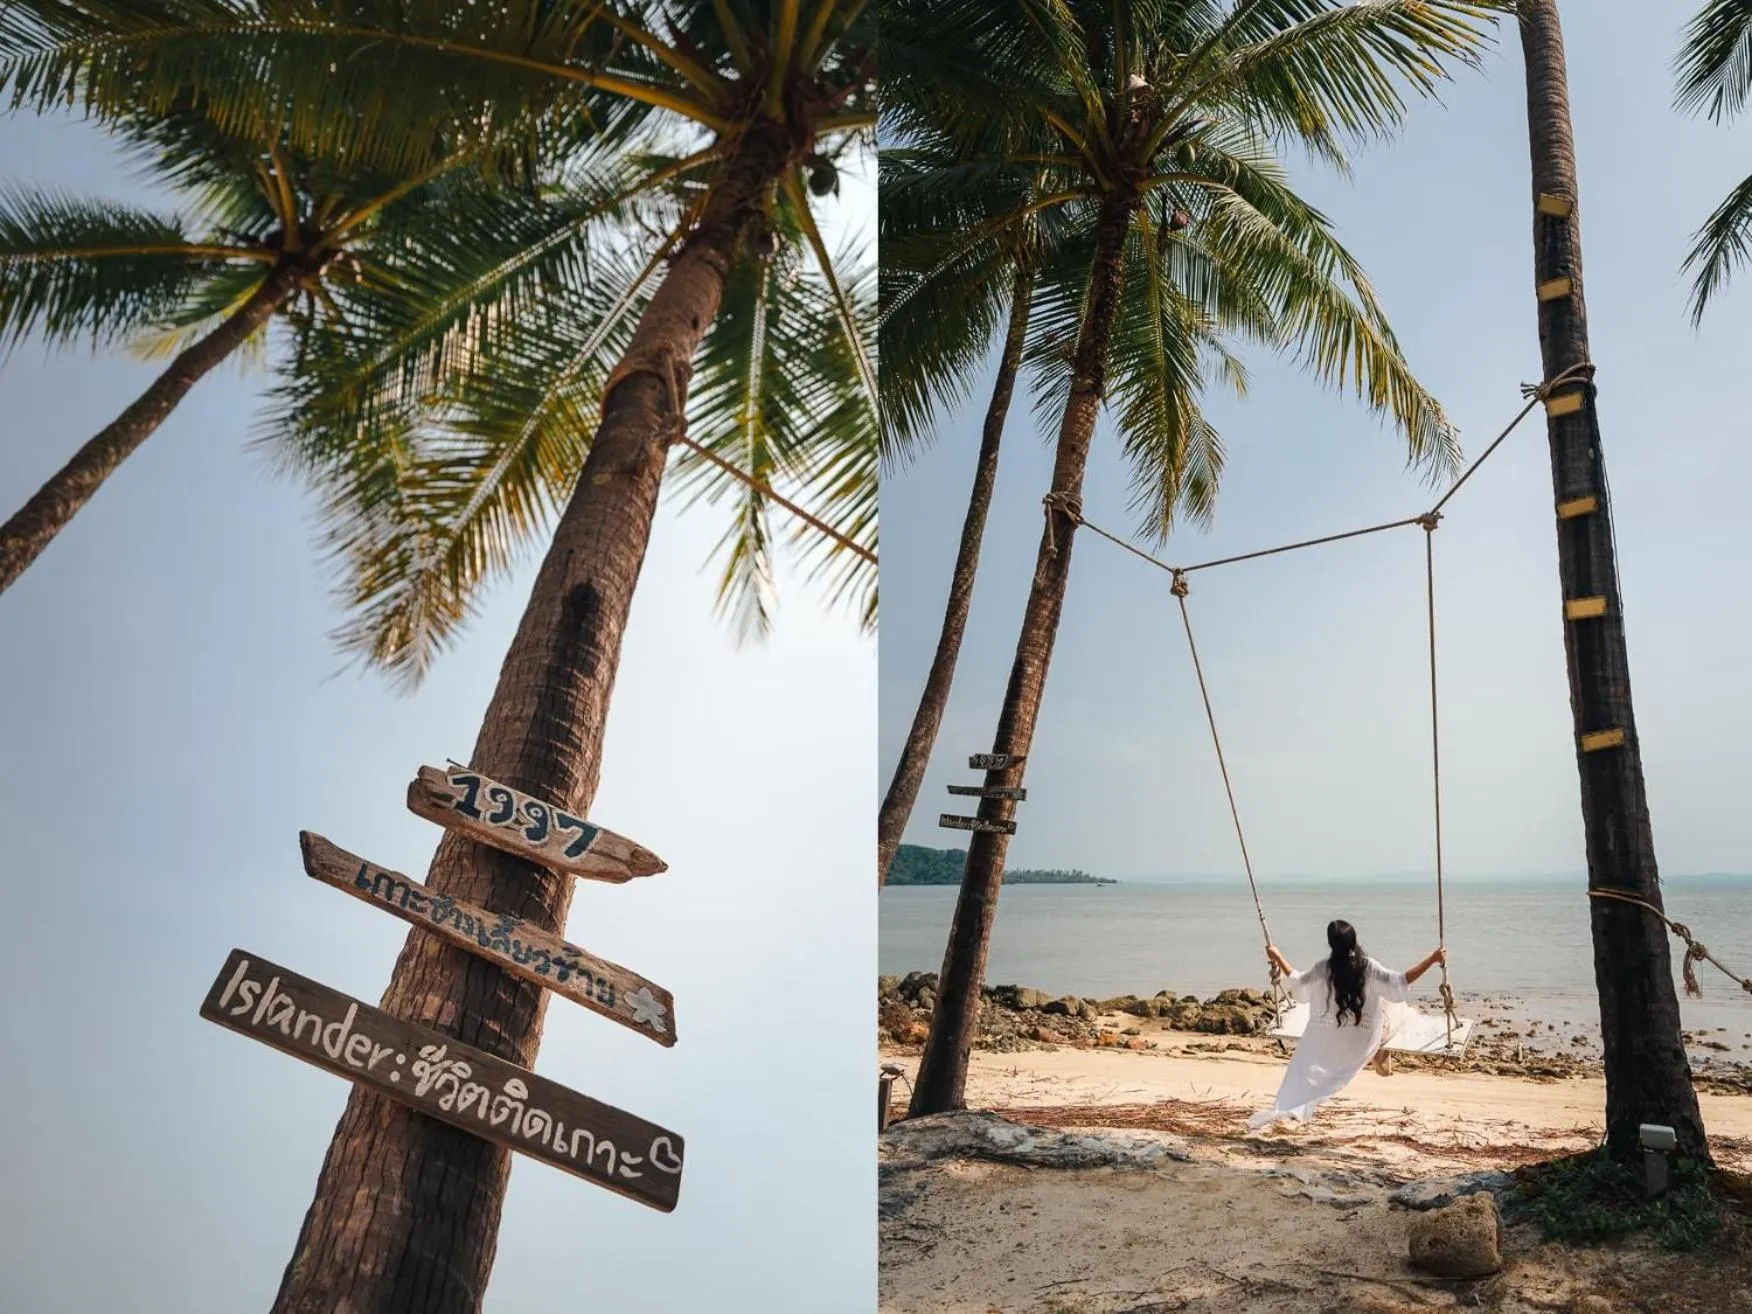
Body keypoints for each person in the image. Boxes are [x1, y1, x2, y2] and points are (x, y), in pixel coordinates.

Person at [1247, 920, 1447, 1132]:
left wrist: (1277, 957)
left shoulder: (1324, 968)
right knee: (1402, 1009)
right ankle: (1380, 1050)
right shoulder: (1368, 966)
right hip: (1364, 1040)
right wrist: (1433, 959)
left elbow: (1298, 983)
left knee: (1385, 1004)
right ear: (1354, 940)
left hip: (1336, 1038)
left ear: (1331, 944)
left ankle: (1379, 1051)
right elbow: (1400, 982)